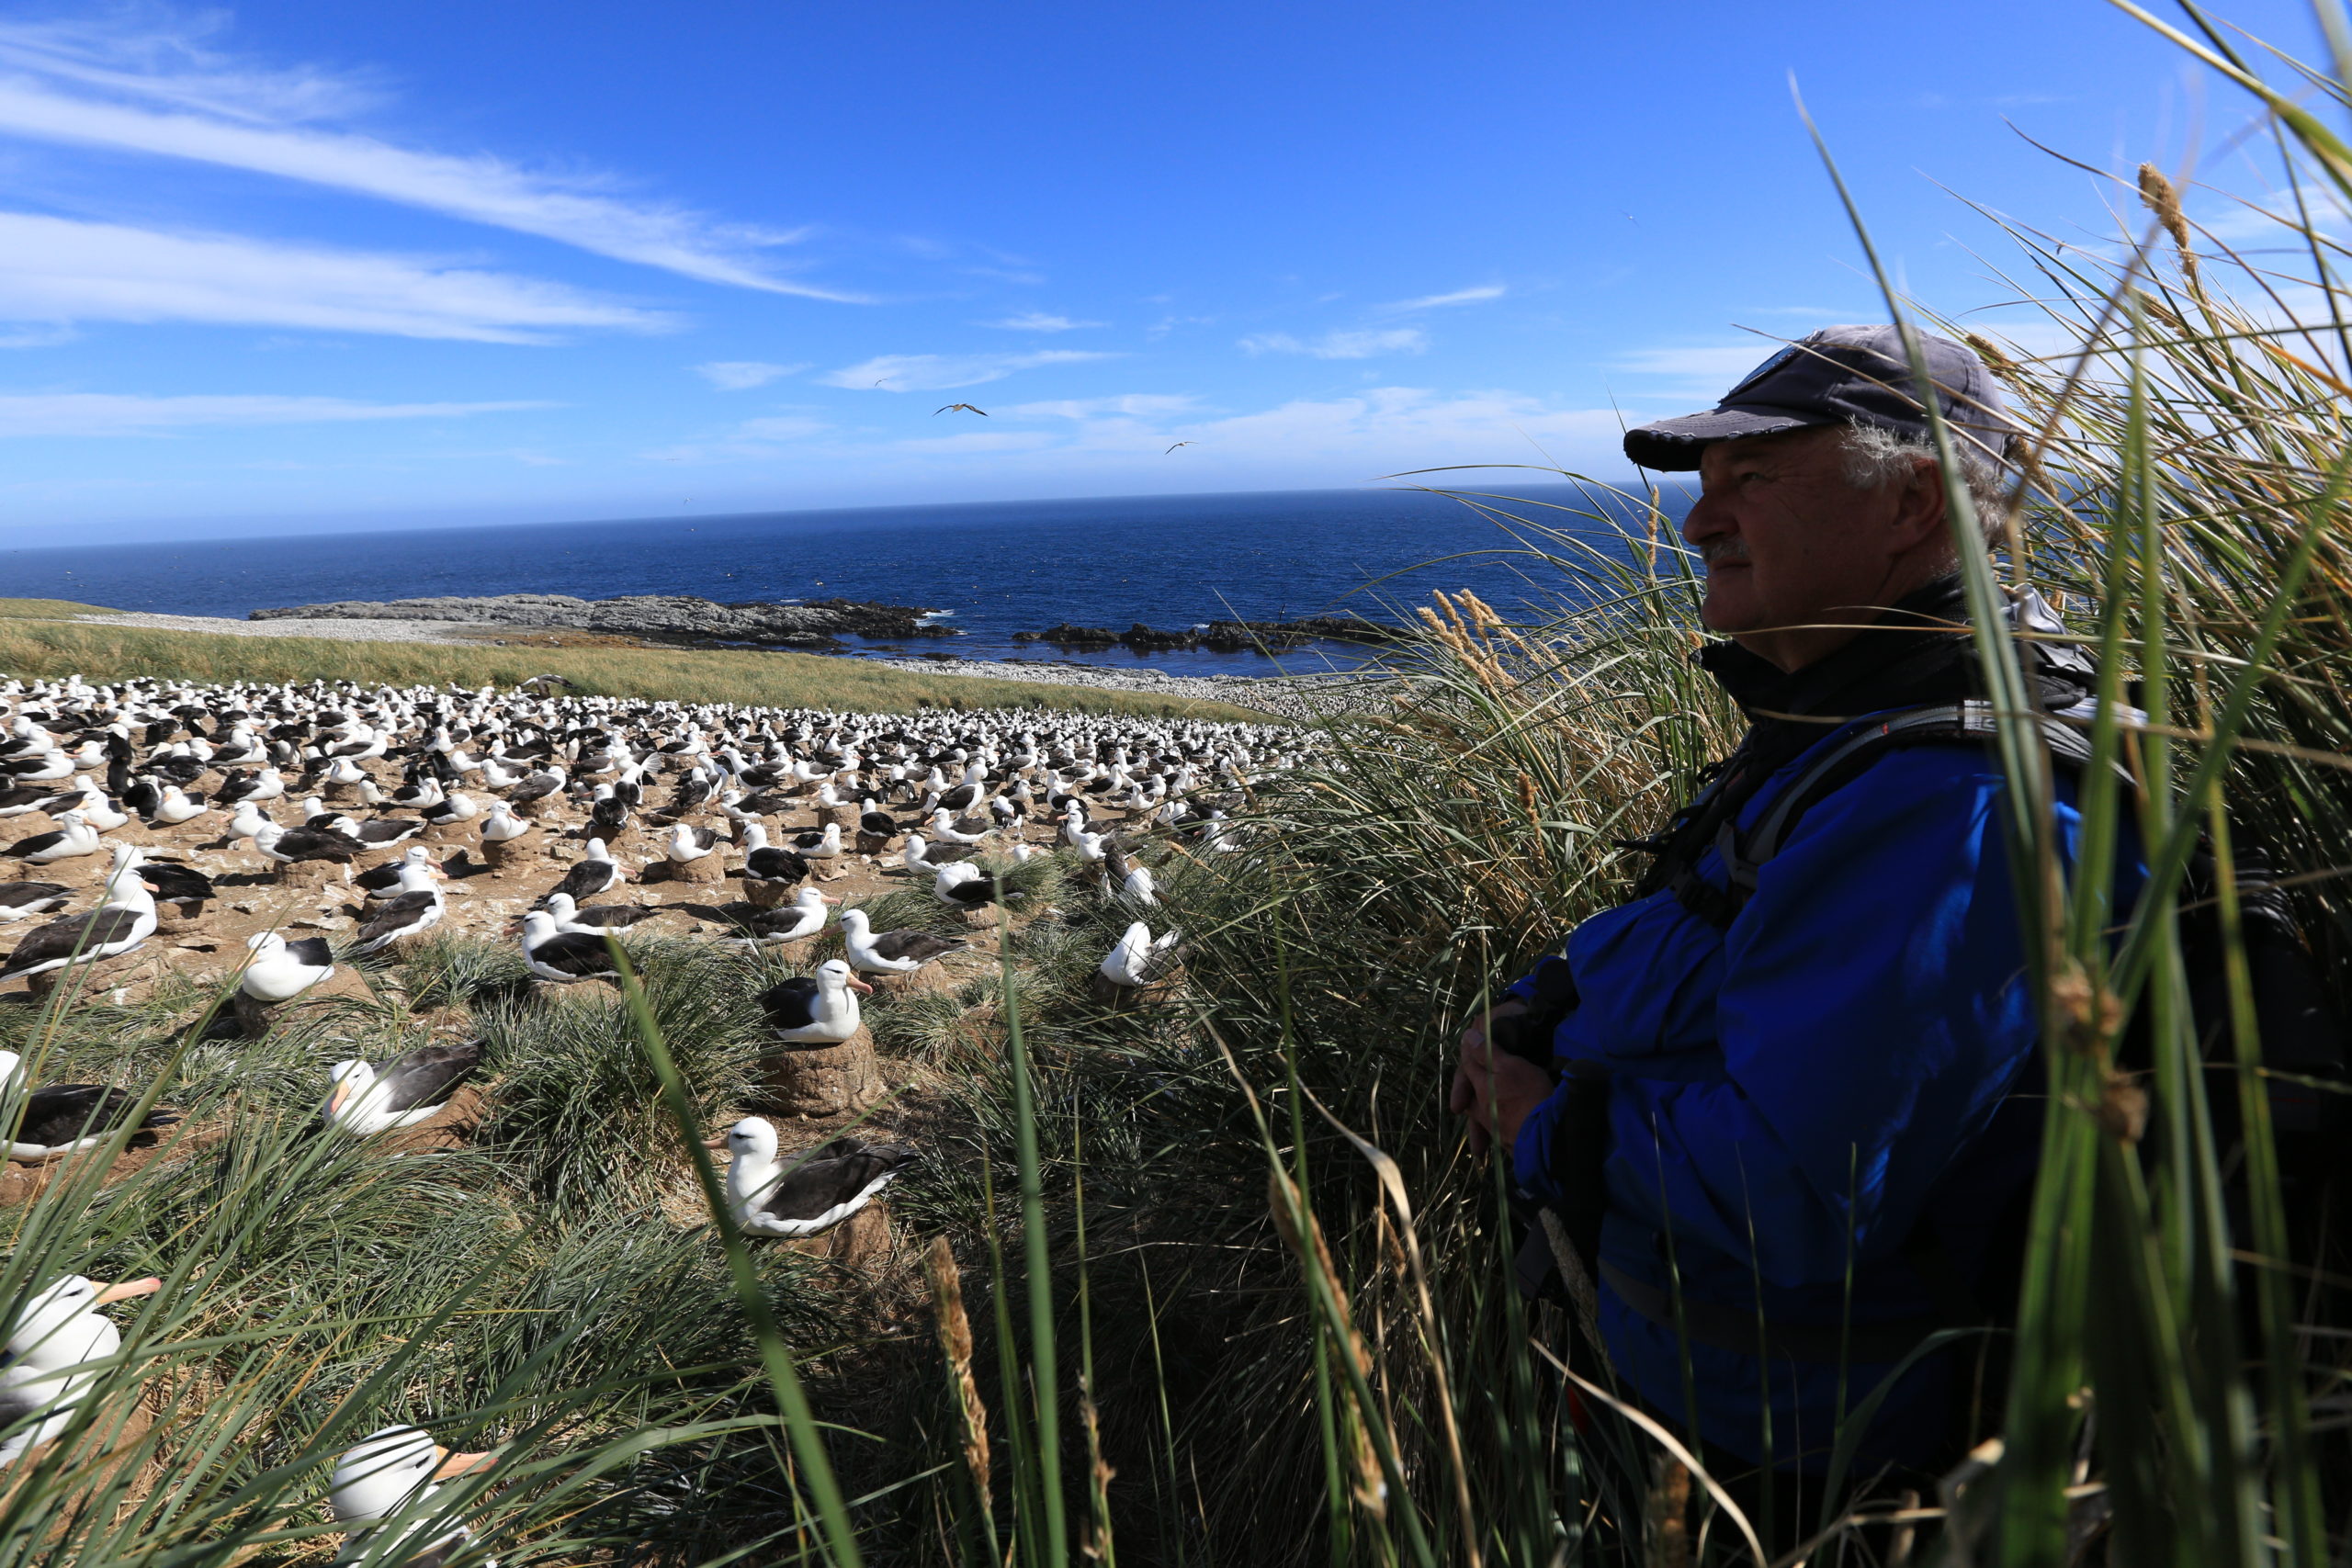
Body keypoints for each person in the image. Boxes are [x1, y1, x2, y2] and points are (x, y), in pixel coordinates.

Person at [1448, 326, 2136, 1506]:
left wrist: (1542, 1117)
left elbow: (1801, 1196)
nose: (1699, 523)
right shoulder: (1837, 730)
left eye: (1751, 483)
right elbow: (1707, 945)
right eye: (1704, 489)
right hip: (1708, 1413)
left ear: (1915, 499)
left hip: (1821, 1480)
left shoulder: (1958, 803)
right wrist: (1540, 1008)